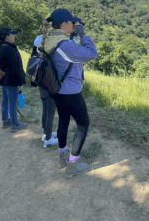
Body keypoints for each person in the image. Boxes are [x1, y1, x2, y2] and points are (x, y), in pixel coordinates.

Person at [41, 9, 97, 178]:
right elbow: (91, 54)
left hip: (56, 90)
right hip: (71, 91)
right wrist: (84, 35)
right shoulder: (65, 45)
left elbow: (66, 53)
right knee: (83, 125)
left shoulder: (50, 39)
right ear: (64, 24)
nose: (74, 24)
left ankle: (62, 157)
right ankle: (72, 165)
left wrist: (75, 35)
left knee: (64, 120)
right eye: (72, 22)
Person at [0, 27, 27, 132]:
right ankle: (15, 124)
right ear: (7, 37)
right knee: (13, 103)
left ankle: (5, 121)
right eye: (12, 35)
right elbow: (17, 67)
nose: (14, 37)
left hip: (3, 80)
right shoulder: (10, 48)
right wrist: (21, 83)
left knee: (5, 101)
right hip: (12, 81)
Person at [31, 23, 58, 148]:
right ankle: (48, 138)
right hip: (49, 85)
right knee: (50, 112)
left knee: (46, 110)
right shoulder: (48, 53)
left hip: (42, 83)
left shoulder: (39, 49)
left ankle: (46, 133)